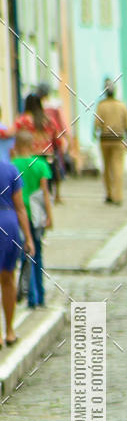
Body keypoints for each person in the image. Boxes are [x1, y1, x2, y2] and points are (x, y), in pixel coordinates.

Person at [12, 130, 53, 308]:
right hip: (36, 215)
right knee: (38, 254)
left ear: (16, 146)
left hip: (18, 214)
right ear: (31, 145)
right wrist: (49, 216)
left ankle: (30, 296)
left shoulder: (12, 165)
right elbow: (45, 193)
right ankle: (41, 297)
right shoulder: (41, 165)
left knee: (24, 255)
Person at [0, 158, 34, 346]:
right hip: (9, 222)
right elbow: (20, 207)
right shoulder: (10, 169)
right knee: (8, 279)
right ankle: (10, 331)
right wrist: (28, 237)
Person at [94, 82, 127, 205]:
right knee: (118, 168)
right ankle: (118, 196)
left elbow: (97, 124)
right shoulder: (121, 105)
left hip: (105, 140)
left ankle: (109, 194)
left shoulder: (101, 106)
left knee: (107, 168)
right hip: (118, 139)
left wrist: (94, 134)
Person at [36, 82, 72, 202]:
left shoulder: (37, 108)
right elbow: (61, 125)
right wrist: (65, 138)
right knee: (56, 169)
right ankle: (57, 196)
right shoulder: (55, 106)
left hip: (40, 144)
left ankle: (48, 195)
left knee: (44, 170)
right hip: (52, 143)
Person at [15, 94, 60, 189]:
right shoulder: (48, 120)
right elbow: (57, 137)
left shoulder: (23, 120)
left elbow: (9, 133)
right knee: (47, 185)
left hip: (31, 156)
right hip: (47, 155)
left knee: (32, 186)